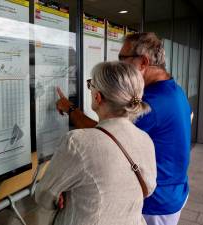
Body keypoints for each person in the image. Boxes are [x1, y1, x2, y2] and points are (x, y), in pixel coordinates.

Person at [55, 32, 192, 225]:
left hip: (155, 202)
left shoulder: (151, 104)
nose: (118, 64)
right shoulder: (173, 90)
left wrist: (70, 109)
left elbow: (105, 134)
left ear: (143, 62)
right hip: (172, 190)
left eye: (122, 58)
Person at [35, 61, 157, 225]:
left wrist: (59, 196)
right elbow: (148, 189)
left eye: (90, 85)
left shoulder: (78, 142)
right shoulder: (145, 139)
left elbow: (44, 195)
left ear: (97, 97)